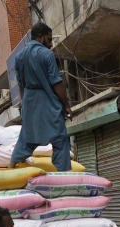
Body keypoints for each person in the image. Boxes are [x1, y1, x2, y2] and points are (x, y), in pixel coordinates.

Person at [10, 23, 72, 171]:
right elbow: (56, 83)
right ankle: (63, 173)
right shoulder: (47, 54)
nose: (50, 44)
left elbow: (20, 85)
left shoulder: (19, 57)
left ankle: (11, 167)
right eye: (49, 39)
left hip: (29, 101)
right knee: (60, 138)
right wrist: (66, 105)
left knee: (26, 138)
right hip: (47, 100)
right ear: (40, 37)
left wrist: (25, 105)